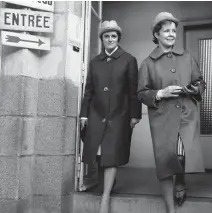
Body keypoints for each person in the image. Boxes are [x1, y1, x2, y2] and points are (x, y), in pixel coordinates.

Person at [137, 12, 206, 213]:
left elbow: (200, 82)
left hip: (186, 113)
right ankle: (170, 209)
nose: (171, 34)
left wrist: (196, 88)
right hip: (162, 117)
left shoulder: (187, 57)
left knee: (182, 154)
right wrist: (161, 93)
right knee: (166, 160)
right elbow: (141, 93)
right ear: (156, 34)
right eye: (166, 30)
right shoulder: (148, 63)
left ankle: (181, 182)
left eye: (174, 31)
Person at [80, 20, 142, 213]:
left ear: (118, 38)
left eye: (113, 36)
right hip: (96, 113)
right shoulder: (94, 62)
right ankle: (106, 185)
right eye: (106, 36)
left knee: (112, 155)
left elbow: (134, 90)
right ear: (102, 39)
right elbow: (88, 90)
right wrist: (84, 115)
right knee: (99, 153)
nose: (109, 39)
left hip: (119, 114)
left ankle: (105, 197)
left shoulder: (128, 60)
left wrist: (134, 114)